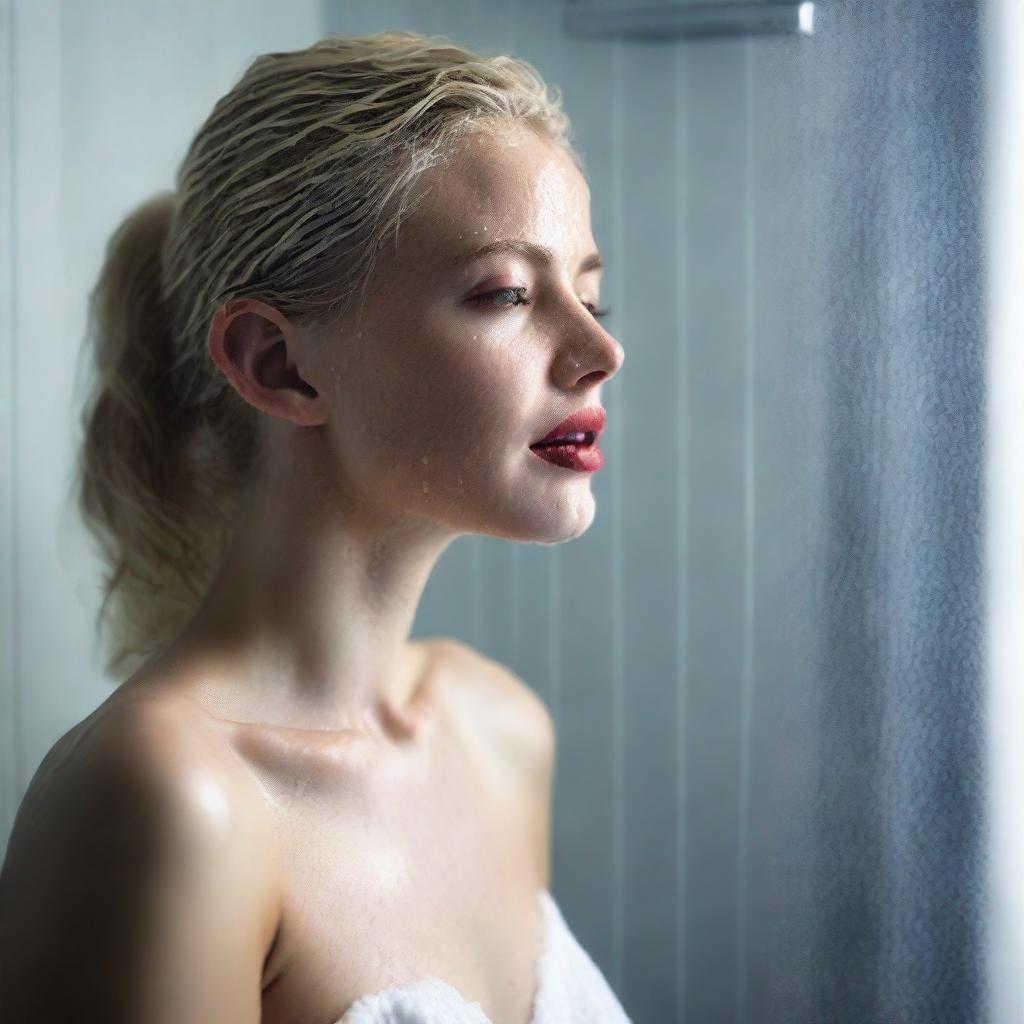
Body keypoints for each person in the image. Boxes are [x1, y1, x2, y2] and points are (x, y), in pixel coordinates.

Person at [0, 30, 628, 1024]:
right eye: (506, 292)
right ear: (277, 364)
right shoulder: (163, 803)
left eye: (587, 292)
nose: (599, 348)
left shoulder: (500, 730)